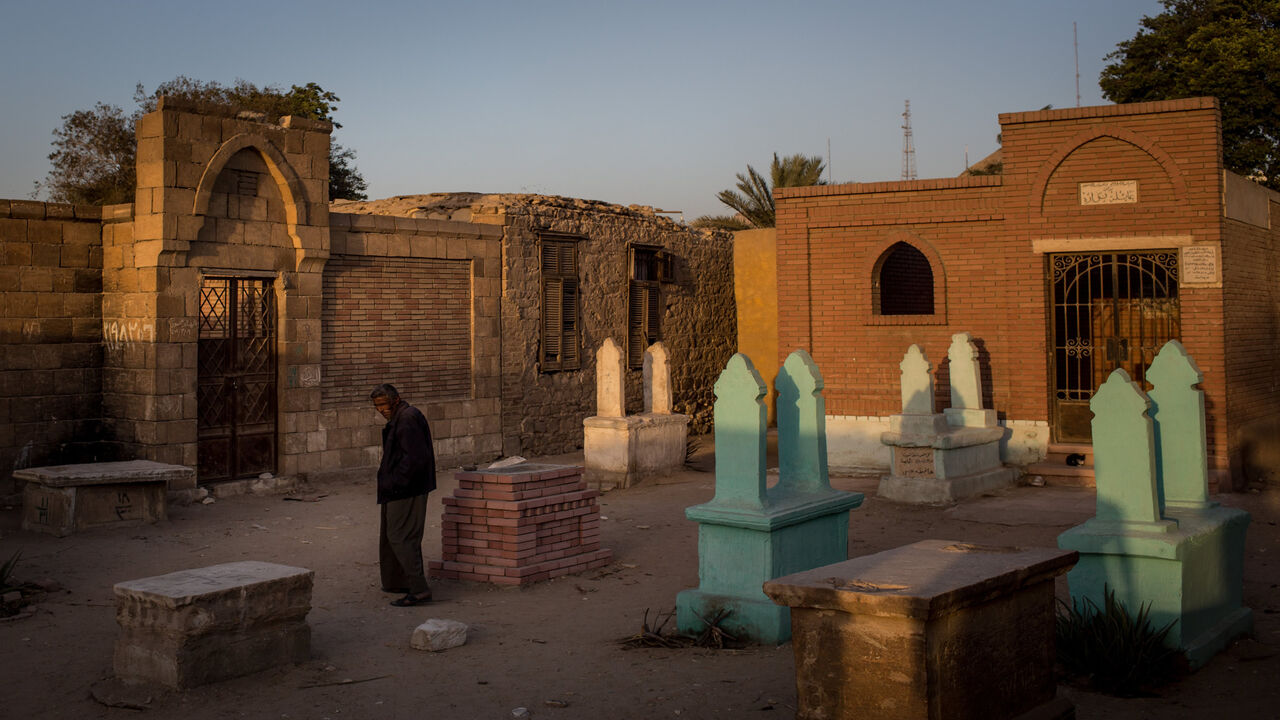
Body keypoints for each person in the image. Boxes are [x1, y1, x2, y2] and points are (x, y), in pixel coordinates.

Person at [370, 383, 436, 607]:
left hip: (406, 489)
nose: (381, 410)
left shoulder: (407, 419)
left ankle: (418, 589)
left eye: (383, 404)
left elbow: (414, 459)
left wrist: (396, 482)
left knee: (400, 536)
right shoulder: (402, 417)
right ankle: (399, 582)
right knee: (392, 536)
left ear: (395, 400)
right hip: (397, 488)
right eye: (377, 406)